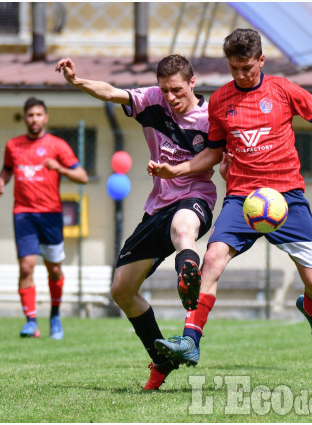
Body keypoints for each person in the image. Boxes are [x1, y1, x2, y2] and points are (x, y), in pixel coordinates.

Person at [148, 28, 312, 366]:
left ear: (262, 60)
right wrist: (179, 169)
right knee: (211, 260)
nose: (241, 75)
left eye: (248, 68)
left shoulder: (283, 90)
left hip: (287, 198)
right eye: (234, 68)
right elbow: (213, 153)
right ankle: (190, 341)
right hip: (242, 198)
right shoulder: (219, 101)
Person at [55, 54, 218, 390]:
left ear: (193, 82)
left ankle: (188, 276)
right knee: (122, 290)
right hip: (157, 207)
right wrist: (77, 81)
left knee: (182, 228)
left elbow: (218, 156)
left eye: (177, 90)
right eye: (165, 90)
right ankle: (162, 360)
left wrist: (181, 171)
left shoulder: (210, 118)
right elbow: (111, 91)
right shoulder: (153, 101)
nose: (170, 97)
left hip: (195, 199)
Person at [0, 97, 89, 340]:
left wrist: (61, 168)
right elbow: (7, 168)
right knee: (26, 266)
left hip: (50, 215)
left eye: (38, 115)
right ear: (25, 118)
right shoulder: (13, 145)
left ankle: (55, 316)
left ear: (45, 118)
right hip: (23, 214)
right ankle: (31, 322)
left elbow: (82, 176)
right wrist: (1, 181)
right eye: (30, 115)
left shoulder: (57, 145)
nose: (34, 119)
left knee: (54, 269)